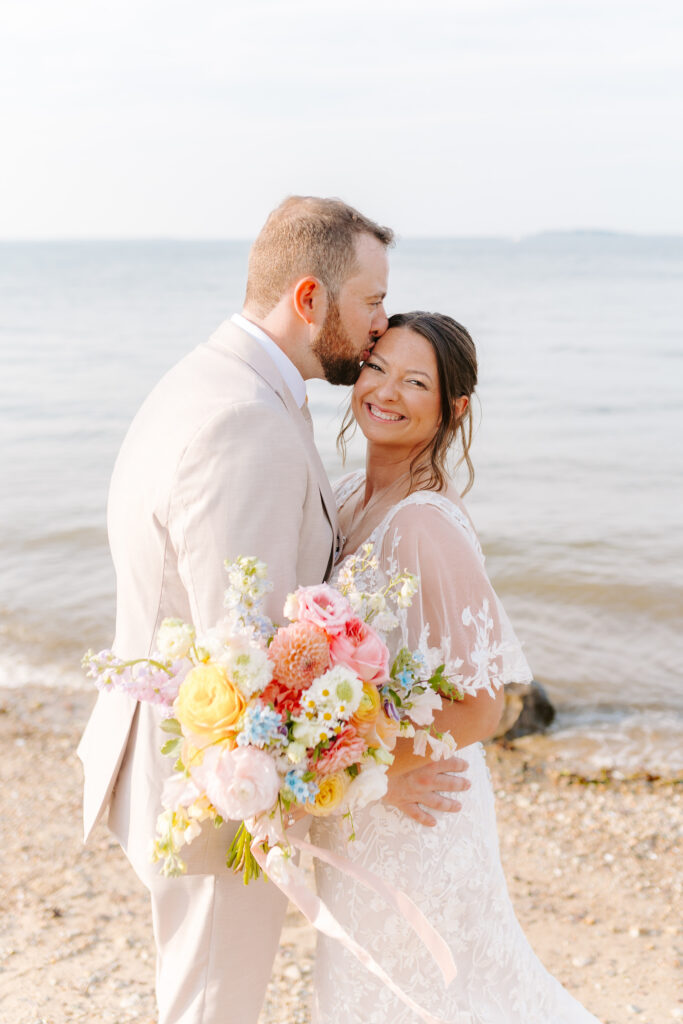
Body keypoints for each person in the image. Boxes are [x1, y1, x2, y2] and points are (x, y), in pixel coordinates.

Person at [76, 199, 470, 1024]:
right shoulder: (243, 421)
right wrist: (372, 770)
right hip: (217, 777)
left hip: (185, 757)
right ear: (307, 299)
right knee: (212, 1004)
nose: (380, 324)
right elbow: (248, 654)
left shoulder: (220, 380)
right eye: (370, 301)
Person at [310, 312, 601, 1023]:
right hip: (368, 803)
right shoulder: (350, 496)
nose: (386, 391)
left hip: (417, 807)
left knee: (441, 995)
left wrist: (365, 774)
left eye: (416, 381)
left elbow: (484, 706)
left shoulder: (425, 525)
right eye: (378, 368)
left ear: (453, 408)